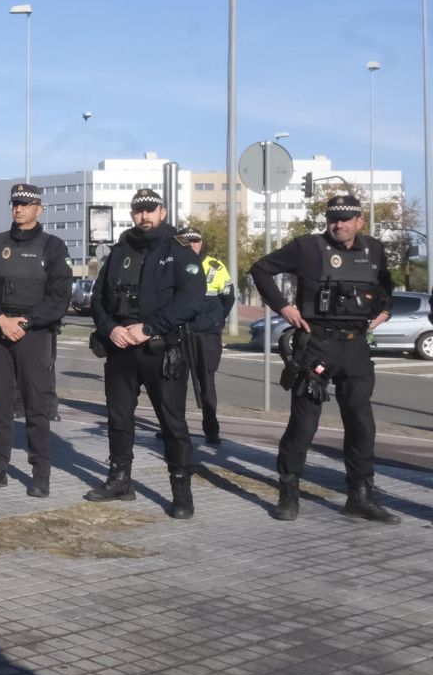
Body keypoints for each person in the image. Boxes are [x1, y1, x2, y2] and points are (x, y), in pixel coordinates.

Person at [251, 194, 398, 524]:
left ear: (360, 221)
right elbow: (260, 270)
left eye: (346, 218)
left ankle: (360, 497)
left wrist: (386, 310)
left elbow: (385, 283)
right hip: (317, 345)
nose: (339, 224)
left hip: (357, 347)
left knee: (362, 424)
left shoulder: (374, 249)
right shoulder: (307, 247)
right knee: (304, 424)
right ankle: (288, 494)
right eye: (333, 217)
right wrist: (283, 307)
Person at [84, 190, 205, 518]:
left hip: (160, 349)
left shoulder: (177, 248)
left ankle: (181, 490)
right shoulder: (121, 248)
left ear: (162, 212)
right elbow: (97, 298)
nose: (144, 216)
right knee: (119, 419)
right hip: (121, 347)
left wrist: (149, 327)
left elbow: (193, 298)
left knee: (172, 423)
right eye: (138, 211)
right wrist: (111, 328)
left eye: (150, 210)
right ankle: (120, 480)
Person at [0, 182, 72, 496]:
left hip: (34, 335)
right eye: (15, 203)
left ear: (38, 208)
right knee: (0, 405)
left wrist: (26, 323)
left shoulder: (53, 246)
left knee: (35, 406)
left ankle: (40, 474)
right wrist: (1, 320)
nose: (19, 209)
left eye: (26, 204)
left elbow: (59, 296)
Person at [155, 225, 232, 445]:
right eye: (186, 242)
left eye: (195, 241)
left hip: (206, 334)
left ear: (201, 243)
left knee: (206, 382)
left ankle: (211, 429)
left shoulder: (215, 267)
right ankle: (171, 426)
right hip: (179, 332)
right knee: (173, 381)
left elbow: (228, 297)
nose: (192, 245)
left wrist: (216, 322)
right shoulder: (172, 266)